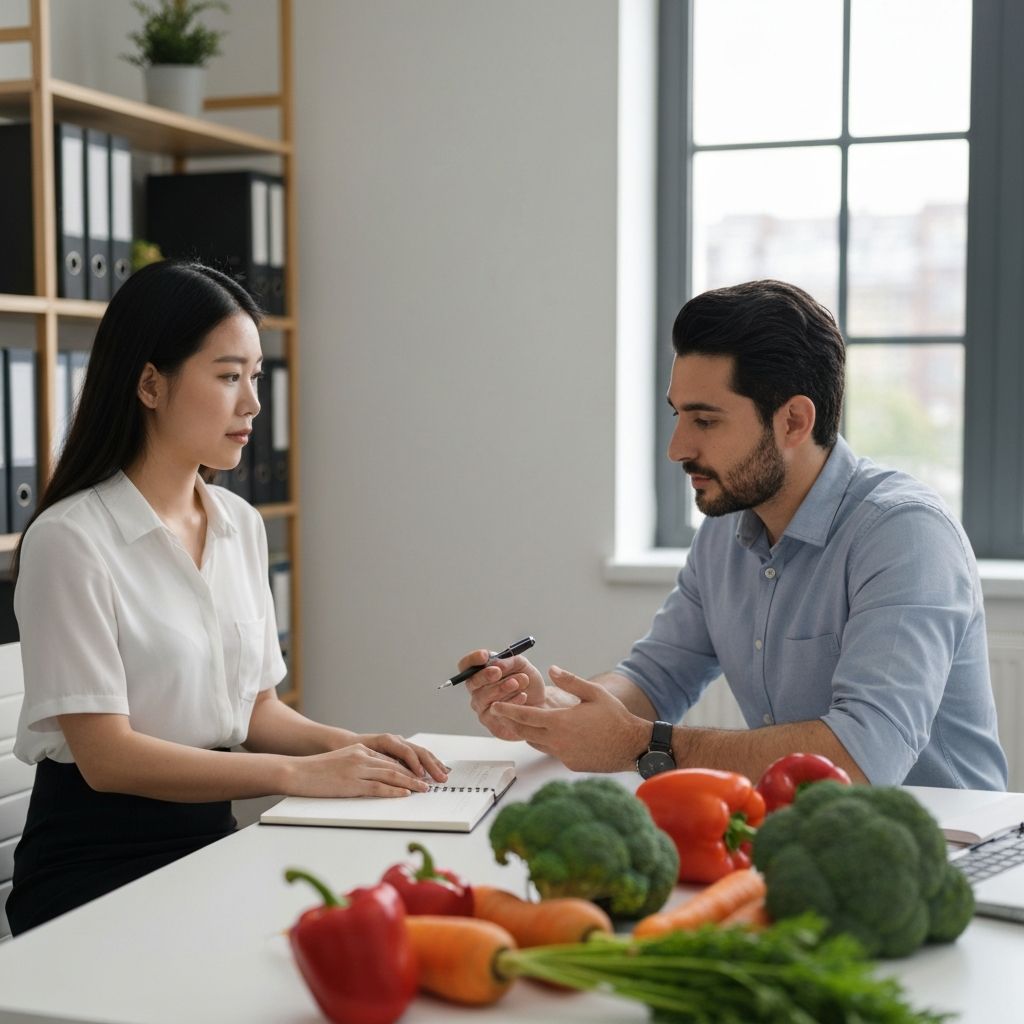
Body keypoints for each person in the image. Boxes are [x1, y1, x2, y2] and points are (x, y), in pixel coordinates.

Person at [6, 260, 447, 936]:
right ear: (150, 385)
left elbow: (255, 710)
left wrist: (357, 747)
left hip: (208, 844)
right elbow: (107, 758)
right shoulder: (70, 541)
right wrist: (298, 776)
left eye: (256, 376)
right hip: (92, 868)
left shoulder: (240, 524)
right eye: (228, 376)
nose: (253, 405)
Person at [461, 279, 1007, 791]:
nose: (676, 448)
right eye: (677, 416)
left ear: (793, 421)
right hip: (801, 837)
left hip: (946, 847)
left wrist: (642, 745)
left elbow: (863, 759)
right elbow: (654, 680)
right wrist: (551, 710)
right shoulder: (725, 529)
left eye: (705, 420)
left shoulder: (906, 535)